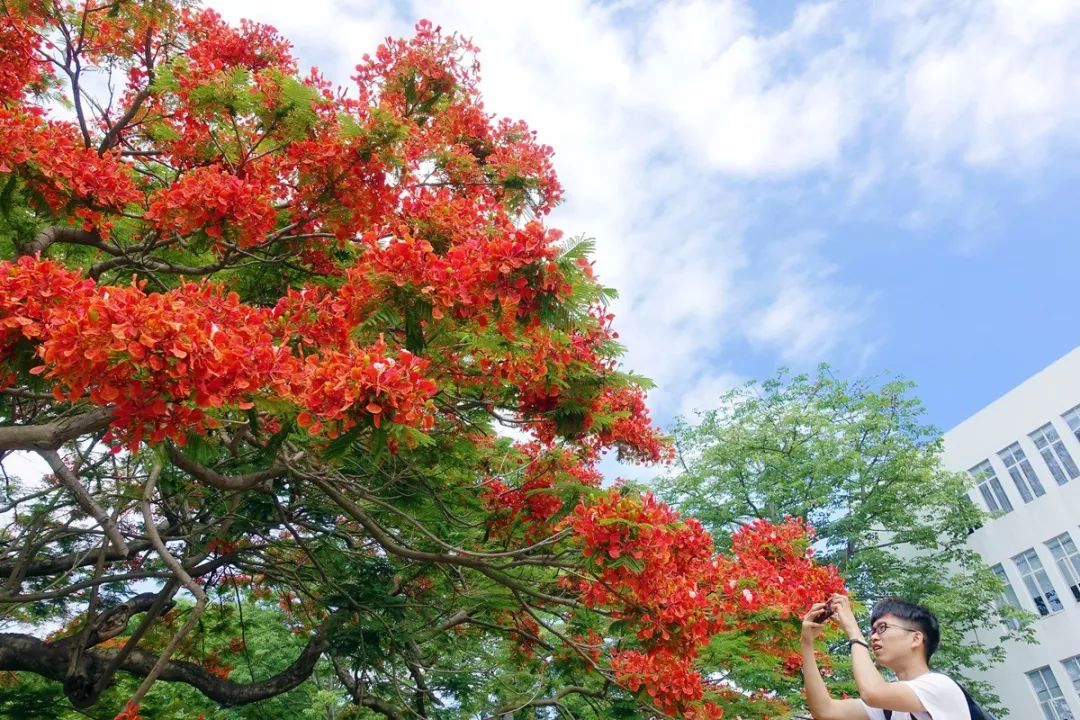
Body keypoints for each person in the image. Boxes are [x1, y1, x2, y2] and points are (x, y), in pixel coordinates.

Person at [799, 594, 971, 720]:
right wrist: (806, 644)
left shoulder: (940, 686)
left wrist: (853, 630)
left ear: (916, 638)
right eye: (872, 631)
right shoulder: (889, 709)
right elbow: (824, 711)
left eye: (882, 628)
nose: (873, 637)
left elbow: (873, 693)